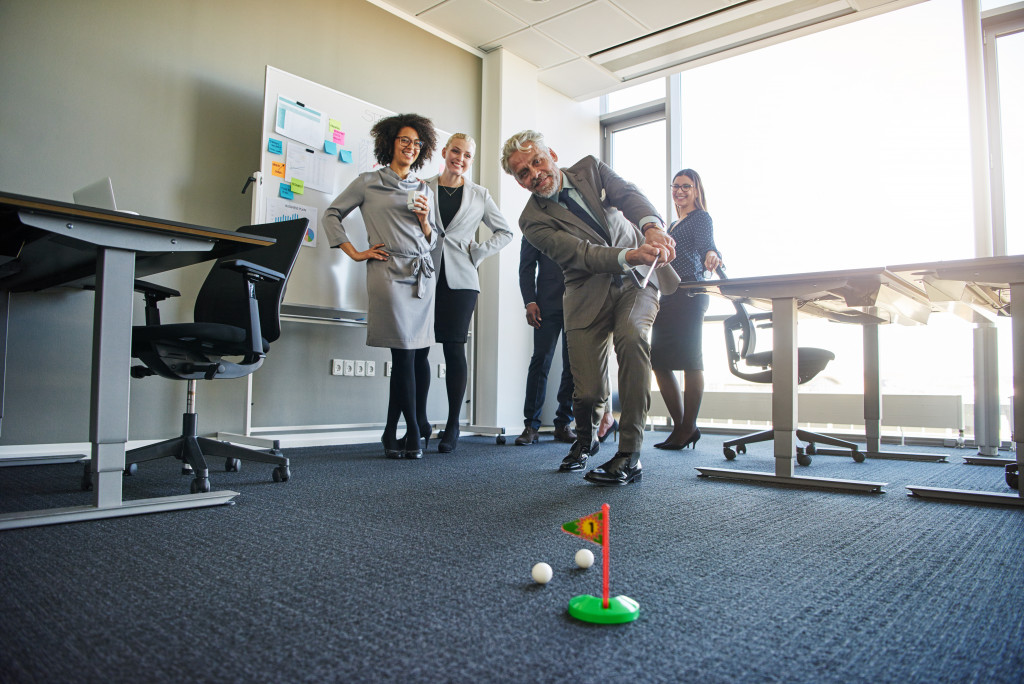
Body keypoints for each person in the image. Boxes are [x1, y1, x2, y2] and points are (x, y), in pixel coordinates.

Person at [501, 130, 679, 486]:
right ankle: (586, 440)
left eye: (536, 161)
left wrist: (652, 228)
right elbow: (578, 253)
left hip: (637, 281)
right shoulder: (531, 220)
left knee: (632, 339)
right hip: (586, 292)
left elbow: (629, 195)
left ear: (550, 153)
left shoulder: (591, 169)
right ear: (519, 182)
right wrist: (628, 255)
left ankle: (629, 454)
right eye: (522, 172)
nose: (534, 173)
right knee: (588, 393)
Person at [322, 113, 438, 459]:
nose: (411, 147)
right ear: (390, 143)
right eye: (405, 140)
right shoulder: (368, 182)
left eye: (417, 143)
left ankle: (392, 432)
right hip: (388, 273)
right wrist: (355, 253)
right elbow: (331, 214)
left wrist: (424, 221)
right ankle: (416, 432)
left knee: (417, 355)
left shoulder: (424, 188)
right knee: (403, 352)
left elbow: (432, 240)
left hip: (421, 274)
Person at [424, 133, 514, 453]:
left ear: (471, 161)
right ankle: (420, 421)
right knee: (418, 349)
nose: (460, 158)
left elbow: (506, 232)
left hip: (461, 281)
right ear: (445, 152)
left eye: (467, 155)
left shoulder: (479, 195)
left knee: (453, 349)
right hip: (424, 276)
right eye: (455, 151)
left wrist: (477, 254)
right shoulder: (423, 187)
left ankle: (452, 425)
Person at [651, 169, 722, 450]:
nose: (680, 191)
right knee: (658, 361)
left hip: (691, 295)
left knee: (691, 361)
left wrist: (712, 256)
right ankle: (683, 426)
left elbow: (708, 246)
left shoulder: (700, 218)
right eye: (676, 186)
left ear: (696, 190)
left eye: (686, 186)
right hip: (669, 295)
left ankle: (687, 426)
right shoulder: (673, 225)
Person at [516, 237, 576, 446]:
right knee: (540, 360)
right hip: (545, 304)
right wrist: (529, 301)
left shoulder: (578, 218)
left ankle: (563, 423)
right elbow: (527, 266)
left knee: (573, 365)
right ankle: (531, 426)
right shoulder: (536, 224)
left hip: (578, 302)